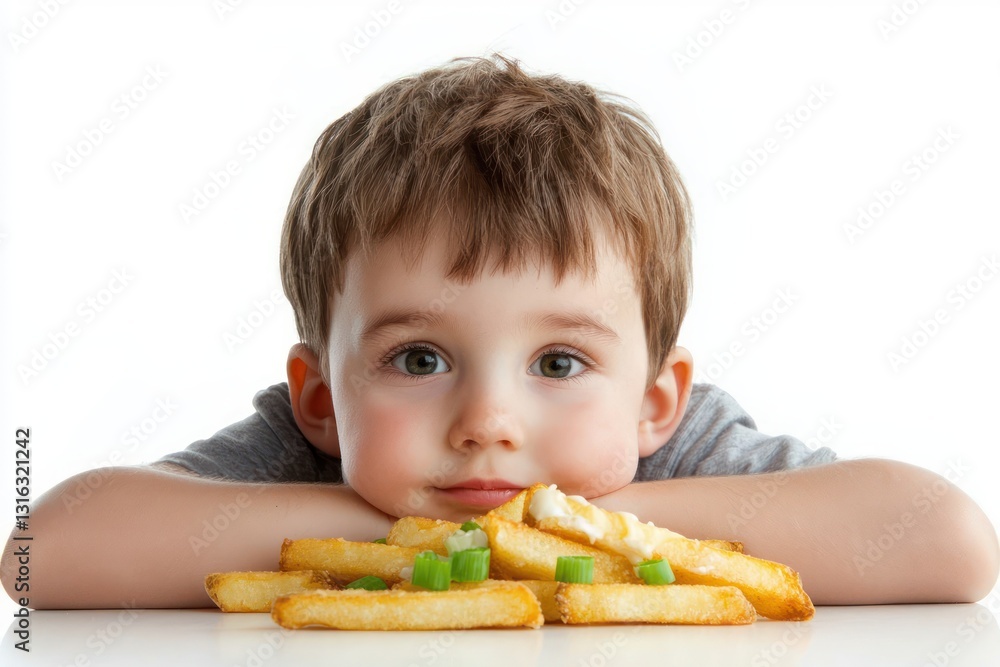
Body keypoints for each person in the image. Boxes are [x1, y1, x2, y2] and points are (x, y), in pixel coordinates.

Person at [3, 55, 997, 609]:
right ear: (320, 397)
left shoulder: (679, 456)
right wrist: (421, 540)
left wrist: (574, 536)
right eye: (419, 359)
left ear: (654, 400)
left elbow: (950, 543)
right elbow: (40, 553)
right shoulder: (309, 455)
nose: (487, 420)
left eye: (558, 362)